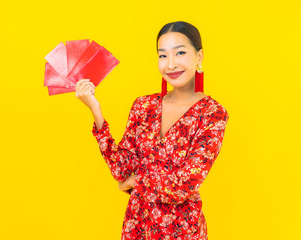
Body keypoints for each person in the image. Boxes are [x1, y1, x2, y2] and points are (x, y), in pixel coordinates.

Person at [75, 21, 229, 240]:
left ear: (200, 57)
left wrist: (135, 181)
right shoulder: (143, 106)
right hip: (137, 226)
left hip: (182, 231)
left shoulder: (213, 114)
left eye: (180, 53)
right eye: (163, 56)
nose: (171, 64)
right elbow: (121, 169)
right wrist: (96, 111)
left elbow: (183, 186)